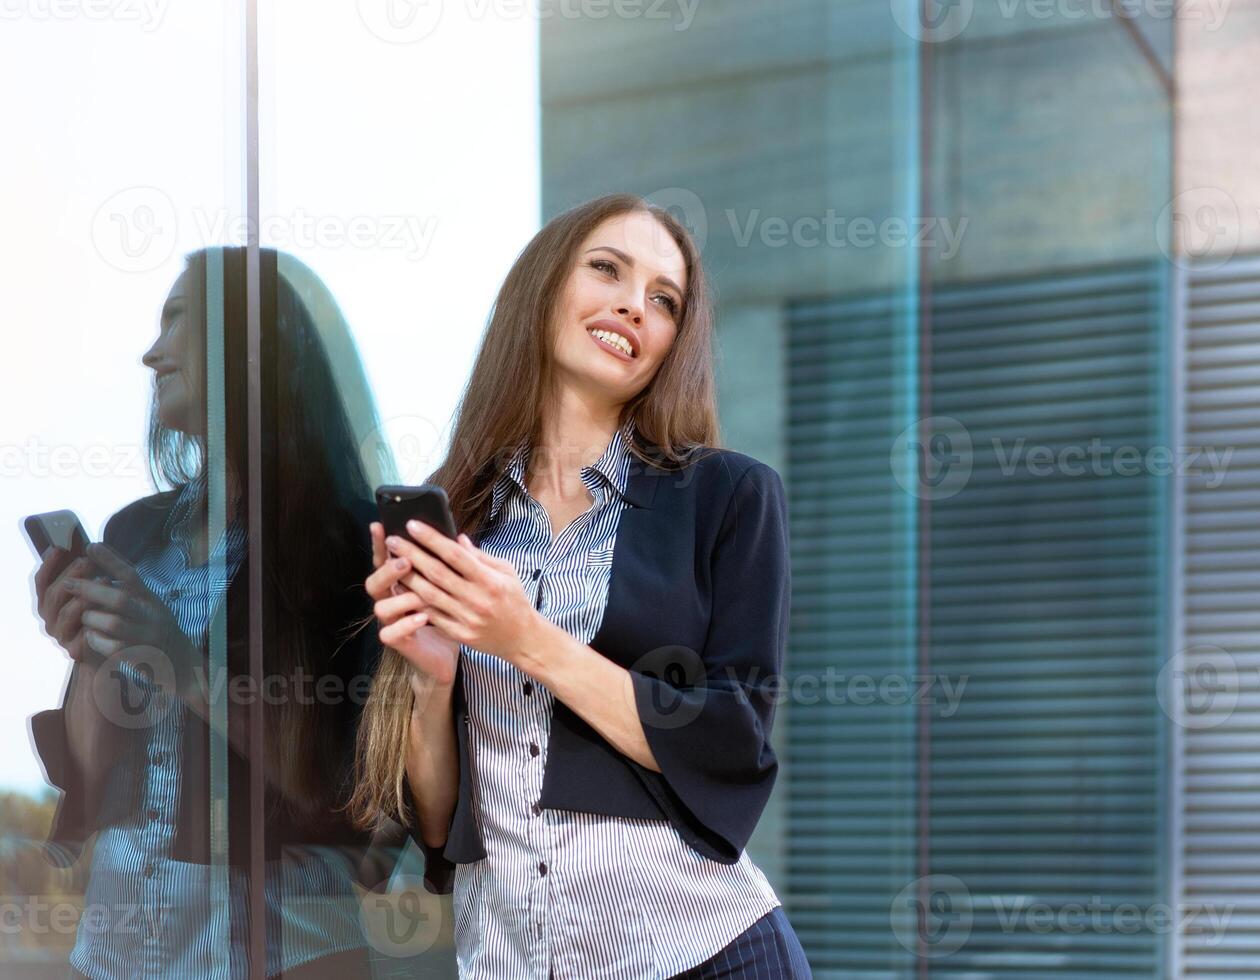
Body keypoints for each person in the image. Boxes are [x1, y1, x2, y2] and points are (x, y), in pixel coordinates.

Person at [348, 193, 813, 979]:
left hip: (707, 954)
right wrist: (432, 684)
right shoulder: (458, 514)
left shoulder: (729, 497)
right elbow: (440, 828)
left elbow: (732, 742)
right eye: (607, 269)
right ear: (544, 288)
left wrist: (525, 640)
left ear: (672, 343)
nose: (634, 305)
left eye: (663, 301)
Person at [29, 246, 392, 978]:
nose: (150, 354)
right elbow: (96, 777)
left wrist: (182, 664)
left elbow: (352, 804)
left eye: (176, 321)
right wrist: (93, 653)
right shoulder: (136, 532)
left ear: (248, 344)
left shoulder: (347, 543)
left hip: (284, 954)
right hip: (115, 952)